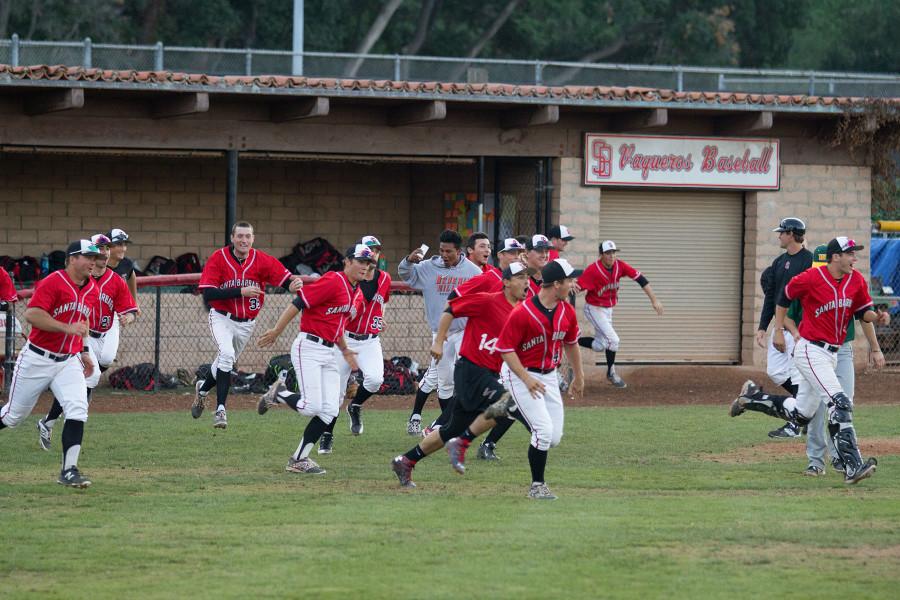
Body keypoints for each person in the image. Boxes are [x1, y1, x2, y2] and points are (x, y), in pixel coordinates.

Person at [731, 237, 885, 484]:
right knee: (840, 402)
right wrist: (779, 329)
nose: (855, 258)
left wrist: (876, 316)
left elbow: (861, 311)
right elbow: (783, 297)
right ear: (836, 256)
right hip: (811, 350)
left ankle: (752, 398)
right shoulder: (811, 278)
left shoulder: (855, 280)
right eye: (850, 254)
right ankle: (851, 466)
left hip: (832, 354)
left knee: (803, 413)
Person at [390, 262, 532, 489]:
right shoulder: (488, 300)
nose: (526, 281)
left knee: (450, 430)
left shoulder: (521, 311)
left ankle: (406, 460)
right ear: (505, 282)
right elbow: (451, 309)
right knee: (508, 402)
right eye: (520, 276)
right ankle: (536, 432)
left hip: (488, 373)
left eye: (528, 276)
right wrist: (438, 341)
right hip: (470, 370)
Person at [256, 244, 373, 475]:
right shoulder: (333, 280)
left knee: (330, 410)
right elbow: (298, 303)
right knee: (311, 407)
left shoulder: (355, 291)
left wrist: (346, 350)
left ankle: (298, 460)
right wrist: (277, 330)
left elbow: (335, 326)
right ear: (347, 262)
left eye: (367, 263)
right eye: (360, 261)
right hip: (308, 346)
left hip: (330, 351)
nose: (364, 266)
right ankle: (278, 393)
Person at [0, 240, 101, 488]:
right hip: (37, 358)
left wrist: (85, 351)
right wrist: (67, 328)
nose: (93, 262)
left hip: (68, 361)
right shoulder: (53, 282)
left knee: (77, 408)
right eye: (87, 256)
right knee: (13, 416)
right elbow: (32, 314)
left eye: (94, 257)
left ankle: (69, 470)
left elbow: (83, 321)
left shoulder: (92, 289)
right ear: (71, 259)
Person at [192, 221, 302, 429]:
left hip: (246, 324)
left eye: (247, 236)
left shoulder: (261, 260)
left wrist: (293, 285)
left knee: (224, 362)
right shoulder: (219, 258)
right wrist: (240, 291)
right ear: (232, 238)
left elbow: (284, 278)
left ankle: (203, 390)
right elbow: (209, 293)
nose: (243, 240)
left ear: (253, 239)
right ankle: (221, 410)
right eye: (239, 236)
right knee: (225, 354)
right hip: (221, 317)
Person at [491, 259, 585, 500]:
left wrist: (579, 376)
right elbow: (505, 349)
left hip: (549, 376)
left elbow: (571, 343)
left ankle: (511, 410)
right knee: (542, 432)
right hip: (520, 374)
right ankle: (537, 486)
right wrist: (526, 379)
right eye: (569, 280)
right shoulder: (522, 312)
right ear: (556, 284)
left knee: (553, 438)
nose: (573, 284)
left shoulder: (567, 311)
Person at [37, 233, 138, 450]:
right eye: (99, 249)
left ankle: (54, 417)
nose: (103, 252)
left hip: (108, 328)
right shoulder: (83, 280)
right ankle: (60, 417)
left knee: (105, 361)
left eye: (106, 248)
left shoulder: (115, 279)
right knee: (91, 376)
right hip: (84, 334)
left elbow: (131, 311)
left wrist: (127, 318)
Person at [398, 230, 481, 436]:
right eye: (442, 250)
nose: (444, 255)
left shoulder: (472, 271)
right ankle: (449, 425)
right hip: (440, 334)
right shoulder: (427, 268)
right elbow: (406, 275)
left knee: (466, 377)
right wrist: (408, 261)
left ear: (459, 251)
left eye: (449, 251)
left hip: (464, 331)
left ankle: (449, 424)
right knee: (444, 383)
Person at [319, 235, 391, 454]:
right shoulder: (352, 279)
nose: (373, 254)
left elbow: (383, 302)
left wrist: (381, 317)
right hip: (346, 338)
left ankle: (356, 405)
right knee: (336, 393)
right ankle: (327, 435)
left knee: (376, 379)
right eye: (369, 251)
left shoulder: (385, 278)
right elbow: (361, 296)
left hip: (370, 341)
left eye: (377, 250)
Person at [754, 217, 814, 438]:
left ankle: (795, 424)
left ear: (791, 234)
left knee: (798, 375)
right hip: (780, 327)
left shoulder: (809, 260)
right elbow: (772, 296)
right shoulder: (779, 262)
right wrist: (763, 327)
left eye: (781, 232)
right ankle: (806, 409)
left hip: (800, 329)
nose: (779, 236)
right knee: (776, 371)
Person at [576, 240, 663, 388]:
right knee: (614, 340)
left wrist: (654, 300)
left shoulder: (619, 266)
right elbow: (577, 287)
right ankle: (611, 373)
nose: (611, 256)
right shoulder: (593, 270)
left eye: (613, 252)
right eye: (608, 253)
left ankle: (571, 339)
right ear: (601, 255)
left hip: (608, 309)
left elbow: (641, 279)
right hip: (594, 308)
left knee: (600, 345)